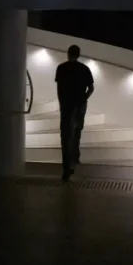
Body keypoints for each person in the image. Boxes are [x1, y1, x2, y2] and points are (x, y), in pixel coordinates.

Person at [55, 44, 94, 182]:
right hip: (80, 106)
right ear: (78, 55)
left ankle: (67, 167)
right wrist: (83, 99)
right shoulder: (84, 69)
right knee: (77, 132)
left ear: (68, 53)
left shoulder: (61, 68)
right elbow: (91, 88)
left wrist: (62, 103)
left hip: (66, 106)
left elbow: (59, 89)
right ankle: (75, 158)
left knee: (65, 136)